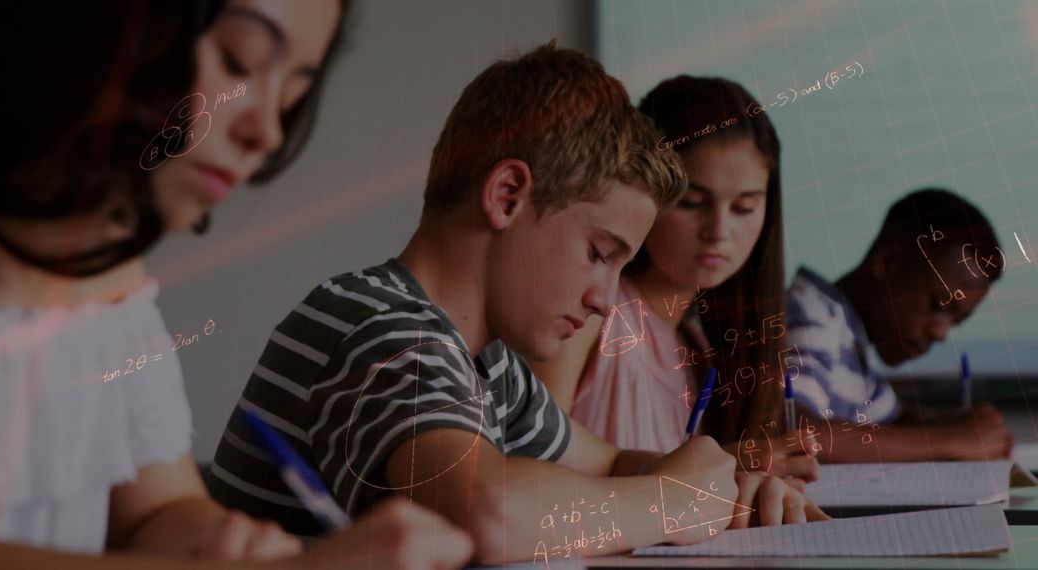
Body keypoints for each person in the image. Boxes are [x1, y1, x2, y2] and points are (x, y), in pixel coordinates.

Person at [210, 43, 827, 566]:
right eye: (599, 252)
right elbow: (489, 511)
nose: (604, 298)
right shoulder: (382, 326)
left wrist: (723, 484)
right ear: (507, 196)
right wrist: (671, 500)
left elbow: (607, 463)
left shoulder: (490, 363)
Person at [0, 2, 472, 569]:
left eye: (291, 97)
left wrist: (221, 542)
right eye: (239, 61)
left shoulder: (113, 288)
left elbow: (155, 512)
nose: (268, 132)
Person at [531, 76, 817, 483]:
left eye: (744, 207)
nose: (718, 231)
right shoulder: (588, 314)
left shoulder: (701, 350)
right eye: (693, 203)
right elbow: (528, 464)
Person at [786, 188, 1012, 463]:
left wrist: (961, 427)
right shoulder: (810, 313)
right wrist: (952, 439)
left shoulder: (851, 342)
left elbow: (893, 420)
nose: (941, 333)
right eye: (938, 307)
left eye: (957, 321)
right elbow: (796, 431)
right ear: (888, 260)